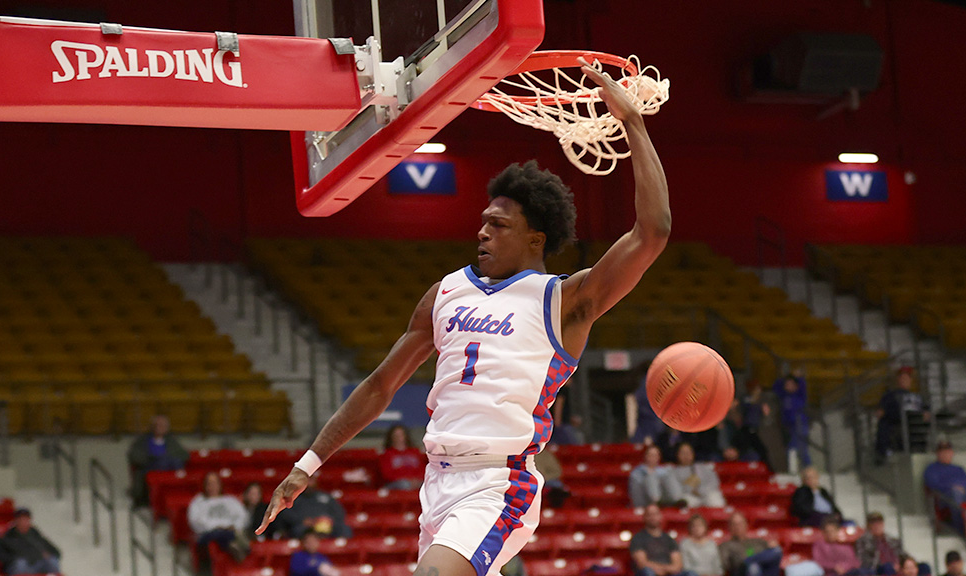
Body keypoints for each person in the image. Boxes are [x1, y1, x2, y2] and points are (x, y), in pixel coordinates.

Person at [258, 61, 670, 576]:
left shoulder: (563, 301)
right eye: (482, 223)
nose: (482, 233)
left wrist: (632, 121)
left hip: (499, 484)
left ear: (535, 240)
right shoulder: (444, 293)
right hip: (437, 483)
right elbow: (381, 385)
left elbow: (652, 232)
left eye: (498, 226)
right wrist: (307, 465)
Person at [188, 472, 249, 568]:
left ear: (220, 485)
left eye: (215, 483)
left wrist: (234, 526)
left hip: (231, 530)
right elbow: (195, 522)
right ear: (205, 485)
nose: (213, 486)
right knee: (218, 533)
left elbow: (243, 517)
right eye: (210, 483)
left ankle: (231, 543)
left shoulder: (230, 500)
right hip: (208, 534)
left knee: (226, 533)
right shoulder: (198, 502)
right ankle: (236, 544)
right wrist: (218, 526)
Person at [127, 413, 189, 507]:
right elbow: (134, 455)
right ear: (152, 427)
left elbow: (184, 454)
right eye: (158, 425)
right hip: (149, 471)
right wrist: (153, 459)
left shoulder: (172, 441)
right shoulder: (142, 440)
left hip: (169, 473)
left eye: (163, 425)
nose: (160, 427)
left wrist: (168, 459)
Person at [874, 367, 929, 464]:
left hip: (913, 423)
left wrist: (925, 413)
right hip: (896, 422)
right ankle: (885, 452)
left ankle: (920, 449)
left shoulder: (917, 397)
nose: (904, 381)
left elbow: (926, 411)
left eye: (907, 378)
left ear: (911, 380)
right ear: (898, 380)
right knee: (884, 424)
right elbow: (881, 411)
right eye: (902, 378)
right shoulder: (890, 395)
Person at [273, 472, 352, 539]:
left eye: (311, 480)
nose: (308, 483)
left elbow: (339, 512)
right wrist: (303, 521)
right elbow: (285, 515)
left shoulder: (325, 496)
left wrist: (329, 519)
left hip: (324, 525)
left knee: (344, 529)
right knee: (297, 530)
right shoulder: (293, 497)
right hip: (304, 527)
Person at [718, 511, 783, 576]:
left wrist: (773, 545)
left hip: (763, 570)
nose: (737, 527)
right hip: (742, 571)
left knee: (777, 550)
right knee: (753, 567)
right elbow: (724, 565)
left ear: (746, 525)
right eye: (734, 524)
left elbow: (770, 554)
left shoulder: (757, 541)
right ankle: (748, 562)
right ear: (729, 527)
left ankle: (749, 560)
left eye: (740, 523)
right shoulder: (725, 545)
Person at [0, 508, 61, 575]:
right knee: (20, 563)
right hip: (18, 567)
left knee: (52, 560)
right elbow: (1, 555)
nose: (23, 522)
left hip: (36, 565)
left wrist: (48, 555)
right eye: (21, 519)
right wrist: (15, 558)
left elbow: (56, 552)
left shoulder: (36, 535)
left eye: (26, 519)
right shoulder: (9, 536)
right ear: (16, 521)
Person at [630, 505, 687, 576]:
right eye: (649, 515)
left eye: (655, 514)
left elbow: (677, 565)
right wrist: (660, 570)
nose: (653, 517)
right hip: (650, 572)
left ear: (660, 516)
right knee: (647, 572)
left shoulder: (669, 540)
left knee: (690, 573)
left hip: (668, 572)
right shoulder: (638, 538)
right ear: (644, 517)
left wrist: (664, 569)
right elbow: (642, 563)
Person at [773, 371, 810, 469]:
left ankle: (806, 467)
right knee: (791, 447)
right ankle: (796, 468)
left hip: (800, 424)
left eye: (790, 384)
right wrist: (784, 377)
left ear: (795, 386)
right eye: (786, 384)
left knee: (800, 447)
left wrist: (798, 377)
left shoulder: (799, 395)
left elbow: (803, 386)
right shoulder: (784, 396)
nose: (787, 386)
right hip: (788, 425)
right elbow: (776, 387)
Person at [672, 443, 726, 508]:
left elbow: (714, 483)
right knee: (684, 502)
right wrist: (690, 490)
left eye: (688, 452)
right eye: (683, 453)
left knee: (715, 499)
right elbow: (676, 491)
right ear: (677, 455)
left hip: (706, 494)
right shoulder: (673, 472)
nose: (686, 456)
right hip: (689, 496)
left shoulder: (704, 467)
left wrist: (701, 491)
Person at [379, 424, 427, 490]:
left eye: (401, 435)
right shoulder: (387, 454)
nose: (399, 438)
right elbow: (387, 474)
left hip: (417, 481)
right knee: (405, 484)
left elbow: (422, 469)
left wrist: (416, 479)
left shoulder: (415, 452)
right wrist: (407, 479)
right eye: (396, 435)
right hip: (397, 483)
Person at [855, 511, 902, 575]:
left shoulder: (893, 540)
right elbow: (864, 561)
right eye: (874, 523)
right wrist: (891, 566)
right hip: (877, 569)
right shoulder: (863, 541)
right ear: (868, 526)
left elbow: (902, 555)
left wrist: (901, 564)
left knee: (919, 566)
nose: (877, 526)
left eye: (879, 523)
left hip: (897, 567)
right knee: (888, 567)